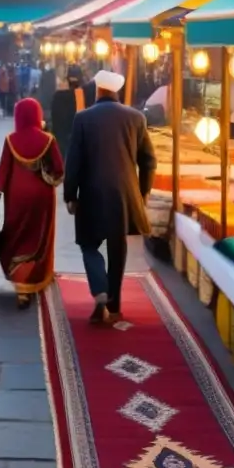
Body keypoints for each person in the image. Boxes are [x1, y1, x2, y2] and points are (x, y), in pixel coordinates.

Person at [64, 70, 157, 325]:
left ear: (98, 90)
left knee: (88, 244)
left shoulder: (82, 118)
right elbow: (148, 161)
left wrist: (70, 195)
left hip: (91, 193)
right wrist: (144, 192)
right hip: (124, 194)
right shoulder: (136, 118)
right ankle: (114, 304)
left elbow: (74, 162)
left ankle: (99, 288)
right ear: (116, 91)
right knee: (118, 249)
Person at [0, 98, 64, 309]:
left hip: (16, 195)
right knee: (39, 236)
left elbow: (3, 172)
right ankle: (37, 277)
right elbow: (59, 169)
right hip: (42, 194)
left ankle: (21, 286)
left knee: (17, 235)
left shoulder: (10, 140)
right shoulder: (48, 139)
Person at [49, 65, 86, 158]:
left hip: (60, 145)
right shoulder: (82, 96)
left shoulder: (57, 96)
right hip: (78, 147)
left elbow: (54, 119)